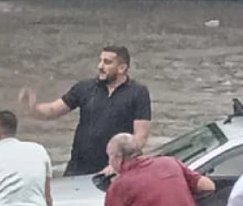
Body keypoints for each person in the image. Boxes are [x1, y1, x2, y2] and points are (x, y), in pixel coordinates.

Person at [18, 46, 151, 177]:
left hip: (114, 169)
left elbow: (140, 136)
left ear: (122, 68)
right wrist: (33, 106)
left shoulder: (138, 93)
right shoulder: (85, 88)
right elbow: (53, 110)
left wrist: (118, 164)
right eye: (100, 60)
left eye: (107, 62)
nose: (100, 66)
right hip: (79, 166)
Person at [92, 133, 215, 206]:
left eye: (109, 157)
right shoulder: (170, 162)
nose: (109, 162)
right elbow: (209, 186)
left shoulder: (120, 185)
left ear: (118, 158)